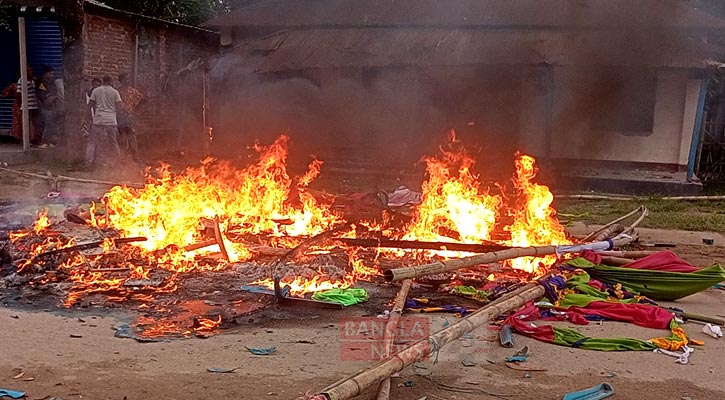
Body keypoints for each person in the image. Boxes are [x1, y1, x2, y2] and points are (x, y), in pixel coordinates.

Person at [85, 75, 123, 167]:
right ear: (110, 81)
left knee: (92, 141)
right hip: (111, 120)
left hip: (98, 119)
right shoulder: (115, 92)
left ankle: (88, 163)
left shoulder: (96, 90)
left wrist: (85, 116)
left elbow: (90, 104)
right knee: (113, 142)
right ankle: (119, 162)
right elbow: (120, 106)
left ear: (103, 81)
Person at [116, 73, 144, 162]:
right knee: (122, 137)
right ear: (121, 80)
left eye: (128, 79)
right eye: (125, 79)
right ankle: (123, 157)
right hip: (120, 116)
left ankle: (135, 156)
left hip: (129, 116)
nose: (128, 80)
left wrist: (136, 108)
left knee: (132, 136)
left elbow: (142, 99)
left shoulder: (132, 91)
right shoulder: (117, 91)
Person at [15, 66, 42, 146]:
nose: (31, 71)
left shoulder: (32, 79)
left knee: (35, 122)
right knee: (27, 123)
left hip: (34, 105)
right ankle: (27, 140)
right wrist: (21, 104)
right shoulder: (21, 80)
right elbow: (18, 94)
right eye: (30, 70)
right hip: (27, 106)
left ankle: (34, 139)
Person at [37, 66, 61, 147]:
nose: (52, 75)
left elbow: (55, 94)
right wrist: (52, 97)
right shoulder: (41, 82)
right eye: (50, 73)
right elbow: (43, 96)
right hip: (45, 107)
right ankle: (44, 141)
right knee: (48, 123)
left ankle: (50, 142)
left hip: (53, 106)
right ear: (45, 73)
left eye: (53, 74)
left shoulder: (51, 83)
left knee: (53, 124)